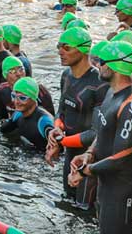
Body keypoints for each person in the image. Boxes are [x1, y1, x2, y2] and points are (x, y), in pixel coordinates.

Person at [63, 39, 132, 234]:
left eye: (101, 61)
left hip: (123, 192)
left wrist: (85, 171)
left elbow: (122, 158)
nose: (97, 64)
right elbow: (102, 132)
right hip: (107, 187)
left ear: (115, 65)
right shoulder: (112, 92)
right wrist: (89, 154)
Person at [47, 26, 101, 211]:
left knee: (85, 211)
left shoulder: (99, 83)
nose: (60, 51)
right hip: (70, 153)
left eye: (66, 47)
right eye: (59, 46)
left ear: (84, 49)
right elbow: (61, 111)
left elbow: (98, 132)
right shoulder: (66, 75)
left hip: (89, 158)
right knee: (67, 205)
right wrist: (56, 130)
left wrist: (63, 141)